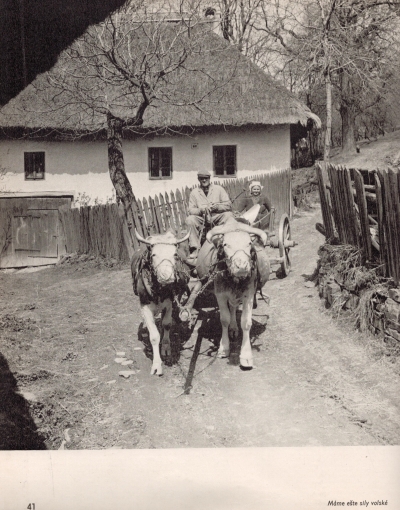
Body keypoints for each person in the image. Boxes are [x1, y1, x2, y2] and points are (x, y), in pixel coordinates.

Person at [186, 171, 234, 255]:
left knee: (228, 215)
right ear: (198, 179)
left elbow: (228, 205)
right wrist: (201, 210)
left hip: (216, 216)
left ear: (209, 179)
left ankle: (227, 243)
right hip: (202, 218)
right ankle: (195, 248)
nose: (204, 180)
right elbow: (191, 210)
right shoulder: (194, 192)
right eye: (202, 179)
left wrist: (217, 207)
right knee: (190, 220)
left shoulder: (218, 189)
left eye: (206, 178)